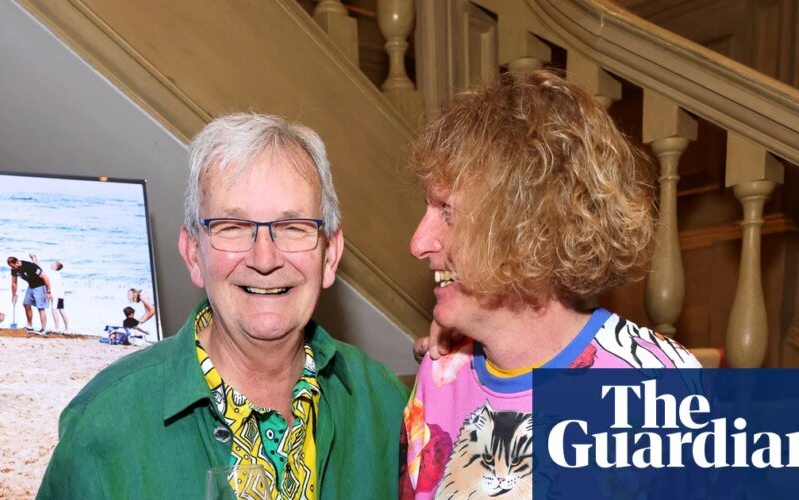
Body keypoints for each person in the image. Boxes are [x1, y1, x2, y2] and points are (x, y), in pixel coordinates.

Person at [39, 113, 409, 498]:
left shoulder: (386, 406)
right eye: (232, 227)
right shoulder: (105, 425)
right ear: (193, 254)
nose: (264, 259)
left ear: (330, 254)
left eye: (293, 227)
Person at [400, 71, 701, 498]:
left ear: (530, 229)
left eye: (448, 211)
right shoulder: (440, 375)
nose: (417, 243)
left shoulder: (658, 387)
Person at [7, 255, 52, 334]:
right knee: (26, 304)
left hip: (40, 286)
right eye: (11, 267)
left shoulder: (29, 266)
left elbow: (45, 277)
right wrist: (14, 295)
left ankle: (43, 329)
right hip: (31, 286)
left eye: (13, 266)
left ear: (17, 262)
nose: (12, 268)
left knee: (40, 308)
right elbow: (14, 283)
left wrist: (48, 292)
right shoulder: (14, 270)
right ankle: (29, 326)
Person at [30, 255, 69, 333]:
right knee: (61, 310)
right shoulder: (57, 274)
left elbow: (40, 267)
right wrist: (36, 260)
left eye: (54, 264)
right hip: (60, 294)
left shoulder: (52, 273)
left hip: (56, 295)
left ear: (56, 267)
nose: (52, 264)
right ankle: (67, 329)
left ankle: (57, 328)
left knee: (54, 310)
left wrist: (34, 260)